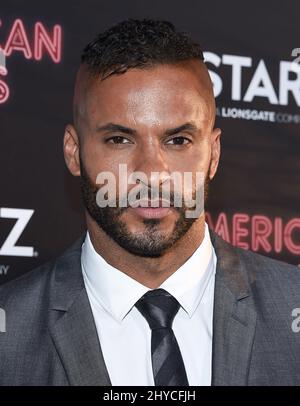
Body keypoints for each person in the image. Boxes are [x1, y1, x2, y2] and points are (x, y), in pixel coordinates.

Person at [0, 18, 300, 386]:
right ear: (74, 151)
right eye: (119, 140)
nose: (152, 172)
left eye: (177, 141)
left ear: (214, 155)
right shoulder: (9, 334)